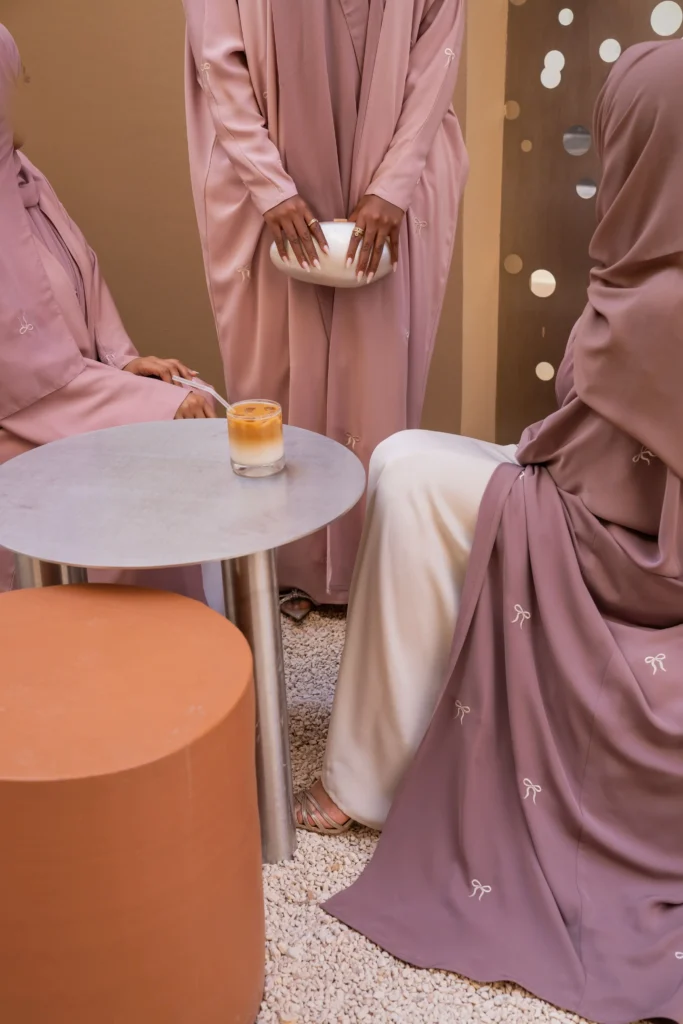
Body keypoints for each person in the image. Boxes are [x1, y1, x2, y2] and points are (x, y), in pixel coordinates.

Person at [305, 40, 683, 1024]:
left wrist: (528, 460)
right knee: (430, 469)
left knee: (403, 469)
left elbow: (578, 473)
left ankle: (364, 780)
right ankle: (380, 759)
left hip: (623, 562)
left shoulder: (654, 304)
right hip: (619, 524)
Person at [182, 0, 468, 617]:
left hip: (395, 168)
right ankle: (287, 560)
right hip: (267, 174)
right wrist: (270, 187)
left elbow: (435, 59)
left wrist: (393, 185)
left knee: (376, 364)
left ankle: (365, 565)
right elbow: (218, 63)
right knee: (277, 363)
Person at [0, 25, 215, 595]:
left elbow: (82, 273)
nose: (23, 94)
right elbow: (27, 379)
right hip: (22, 427)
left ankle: (187, 644)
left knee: (196, 394)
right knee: (181, 423)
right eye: (12, 84)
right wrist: (145, 405)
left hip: (76, 394)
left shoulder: (25, 178)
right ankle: (130, 654)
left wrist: (123, 363)